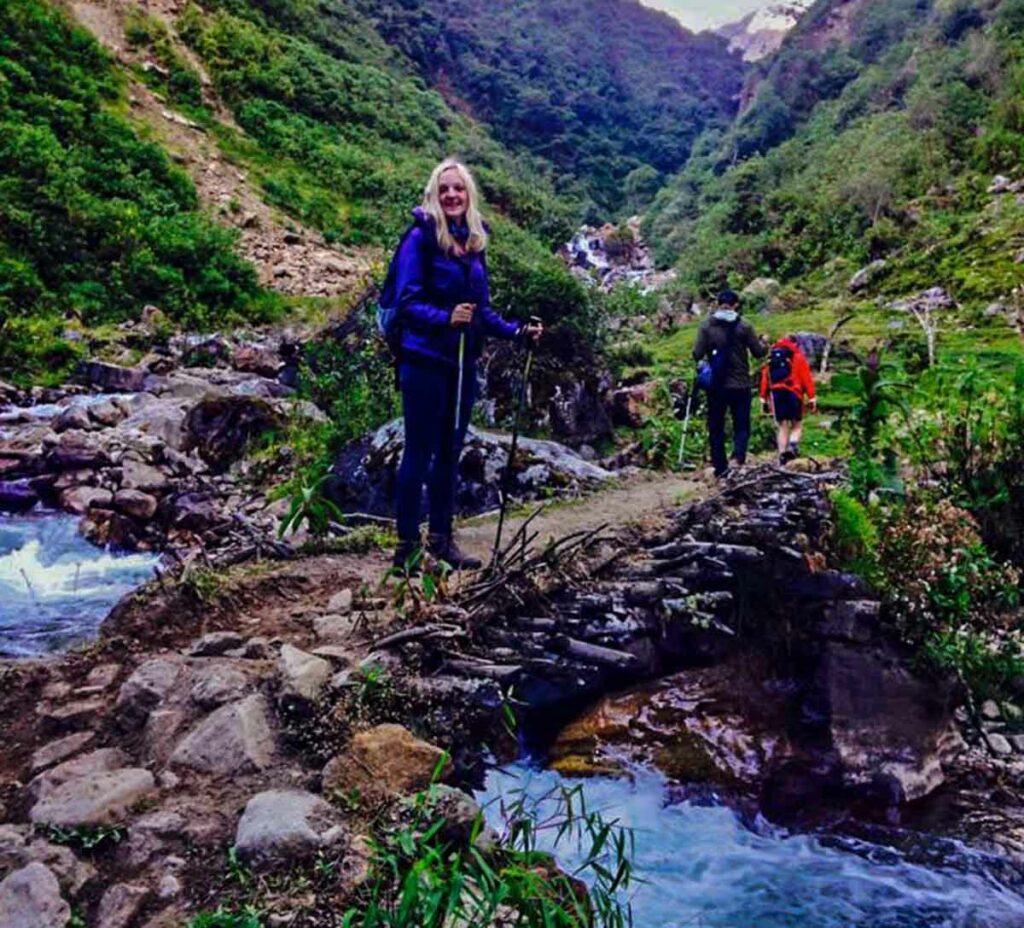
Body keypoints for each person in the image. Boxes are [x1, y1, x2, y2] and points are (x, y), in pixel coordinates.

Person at [390, 158, 542, 571]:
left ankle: (442, 540)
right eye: (445, 190)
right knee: (418, 453)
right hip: (423, 361)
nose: (452, 195)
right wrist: (445, 318)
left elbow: (480, 310)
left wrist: (516, 332)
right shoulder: (420, 238)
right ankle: (406, 549)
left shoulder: (475, 243)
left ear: (469, 194)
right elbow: (407, 302)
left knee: (450, 452)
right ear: (434, 196)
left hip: (461, 363)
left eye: (458, 189)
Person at [692, 290, 767, 478]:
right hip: (741, 384)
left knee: (716, 425)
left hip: (717, 385)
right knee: (741, 424)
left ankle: (720, 466)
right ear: (736, 305)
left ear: (718, 304)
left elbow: (697, 353)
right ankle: (738, 457)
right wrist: (764, 344)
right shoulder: (744, 326)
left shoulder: (707, 325)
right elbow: (758, 353)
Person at [760, 334, 816, 464]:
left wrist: (763, 398)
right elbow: (806, 378)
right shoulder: (797, 356)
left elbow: (765, 379)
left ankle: (782, 456)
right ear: (795, 344)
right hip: (793, 392)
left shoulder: (771, 358)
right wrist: (812, 397)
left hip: (777, 393)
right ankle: (793, 445)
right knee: (797, 424)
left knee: (783, 426)